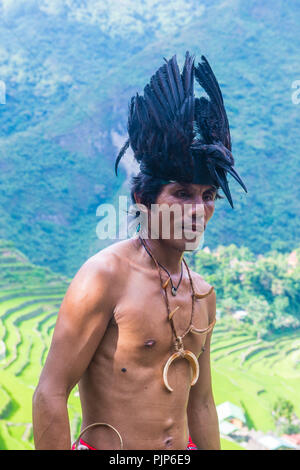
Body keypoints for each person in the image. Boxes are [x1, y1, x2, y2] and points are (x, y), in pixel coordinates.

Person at [32, 51, 247, 450]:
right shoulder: (104, 279)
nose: (199, 210)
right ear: (142, 198)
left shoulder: (203, 294)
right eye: (182, 194)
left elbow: (200, 406)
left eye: (208, 195)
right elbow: (51, 393)